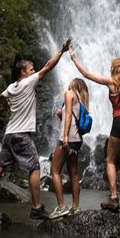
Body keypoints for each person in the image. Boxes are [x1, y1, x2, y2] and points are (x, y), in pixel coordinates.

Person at [0, 39, 71, 219]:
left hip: (9, 134)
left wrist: (7, 107)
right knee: (35, 168)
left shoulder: (11, 87)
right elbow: (48, 66)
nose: (34, 71)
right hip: (21, 135)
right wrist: (62, 50)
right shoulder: (29, 82)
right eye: (30, 69)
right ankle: (36, 208)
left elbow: (1, 97)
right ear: (23, 72)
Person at [69, 45, 120, 216]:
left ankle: (114, 198)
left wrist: (75, 58)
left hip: (119, 122)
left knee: (110, 160)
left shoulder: (112, 83)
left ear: (114, 70)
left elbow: (87, 75)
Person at [48, 77, 90, 219]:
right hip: (77, 140)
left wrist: (65, 136)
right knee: (74, 174)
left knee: (54, 171)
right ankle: (75, 207)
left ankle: (61, 207)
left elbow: (68, 116)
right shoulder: (79, 99)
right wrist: (61, 115)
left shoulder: (69, 93)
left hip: (68, 139)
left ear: (73, 85)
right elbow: (68, 117)